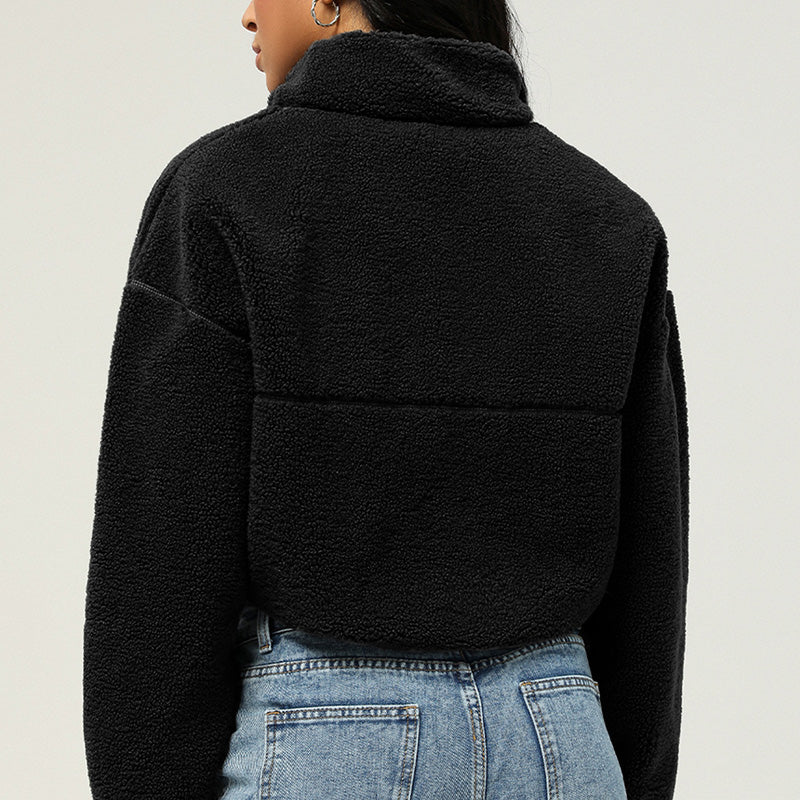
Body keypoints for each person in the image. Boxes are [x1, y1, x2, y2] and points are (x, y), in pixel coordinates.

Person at [82, 1, 689, 799]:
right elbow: (651, 587)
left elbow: (159, 574)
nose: (247, 14)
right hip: (560, 739)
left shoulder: (228, 193)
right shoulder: (610, 220)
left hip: (332, 743)